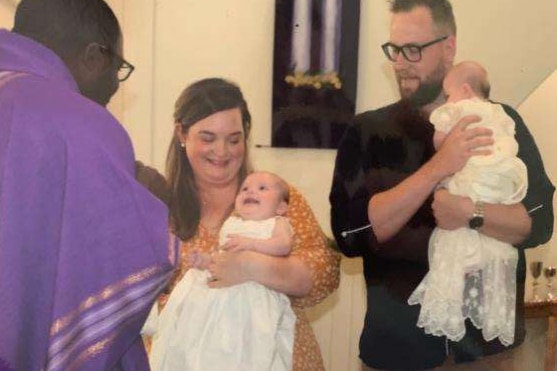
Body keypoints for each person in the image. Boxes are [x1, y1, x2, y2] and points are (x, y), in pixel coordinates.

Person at [329, 1, 554, 370]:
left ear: (449, 47)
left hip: (487, 352)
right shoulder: (368, 131)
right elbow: (350, 234)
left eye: (413, 50)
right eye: (394, 49)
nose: (400, 62)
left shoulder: (499, 121)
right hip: (397, 352)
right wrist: (439, 167)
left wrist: (471, 213)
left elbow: (540, 221)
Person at [0, 1, 175, 370]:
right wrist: (147, 210)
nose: (115, 85)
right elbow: (116, 268)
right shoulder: (79, 123)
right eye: (119, 68)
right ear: (95, 56)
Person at [154, 77, 340, 371]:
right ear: (181, 133)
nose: (222, 151)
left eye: (233, 138)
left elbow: (325, 274)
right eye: (207, 137)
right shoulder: (159, 207)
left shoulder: (276, 198)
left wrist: (254, 267)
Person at [408, 61, 528, 347]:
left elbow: (441, 142)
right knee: (490, 236)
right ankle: (487, 297)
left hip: (470, 178)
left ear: (463, 90)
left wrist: (442, 142)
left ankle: (452, 295)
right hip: (498, 183)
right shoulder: (499, 112)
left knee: (451, 231)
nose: (446, 101)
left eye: (447, 95)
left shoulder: (458, 110)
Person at [149, 171, 296, 371]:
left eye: (262, 188)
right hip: (221, 303)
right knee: (210, 347)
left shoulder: (277, 223)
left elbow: (283, 246)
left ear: (281, 207)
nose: (251, 191)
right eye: (245, 189)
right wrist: (204, 260)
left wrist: (251, 243)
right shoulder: (232, 224)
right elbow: (222, 256)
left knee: (250, 351)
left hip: (254, 298)